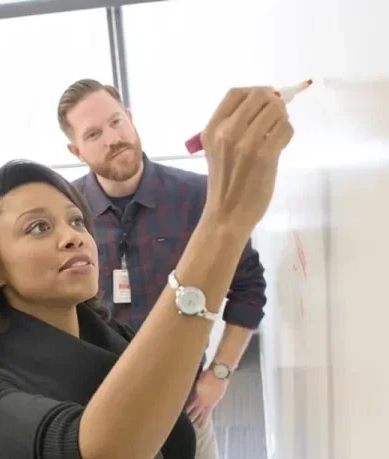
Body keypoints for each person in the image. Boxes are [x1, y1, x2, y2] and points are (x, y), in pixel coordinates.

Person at [0, 86, 294, 459]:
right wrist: (222, 224)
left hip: (186, 397)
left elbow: (248, 291)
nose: (73, 237)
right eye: (39, 227)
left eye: (76, 221)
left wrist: (216, 375)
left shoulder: (114, 336)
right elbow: (100, 450)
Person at [58, 79, 269, 458]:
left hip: (184, 405)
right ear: (76, 150)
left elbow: (249, 288)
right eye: (93, 133)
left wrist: (218, 375)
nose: (112, 138)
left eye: (116, 122)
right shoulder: (66, 215)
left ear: (131, 118)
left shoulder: (200, 197)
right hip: (98, 410)